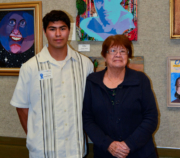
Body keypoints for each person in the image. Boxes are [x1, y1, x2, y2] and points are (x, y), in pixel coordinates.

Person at [10, 10, 94, 158]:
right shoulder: (30, 67)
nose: (58, 34)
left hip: (75, 150)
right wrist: (34, 138)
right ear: (44, 31)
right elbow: (22, 107)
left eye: (62, 28)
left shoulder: (85, 65)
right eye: (52, 29)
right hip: (43, 152)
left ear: (69, 31)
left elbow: (90, 106)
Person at [83, 35, 158, 158]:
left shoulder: (140, 80)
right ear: (104, 55)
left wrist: (129, 145)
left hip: (140, 152)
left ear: (128, 56)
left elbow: (151, 117)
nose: (118, 55)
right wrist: (108, 144)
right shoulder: (92, 82)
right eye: (113, 51)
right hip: (105, 153)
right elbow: (87, 119)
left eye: (123, 51)